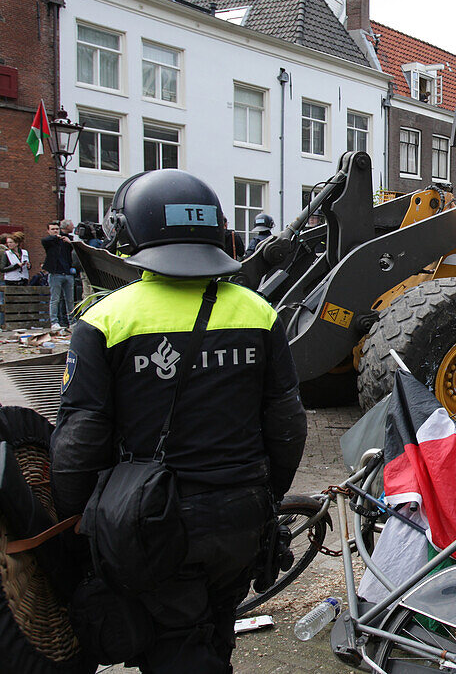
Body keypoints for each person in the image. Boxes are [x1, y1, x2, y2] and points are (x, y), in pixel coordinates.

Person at [51, 169, 308, 673]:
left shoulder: (106, 319)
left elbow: (80, 438)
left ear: (132, 234)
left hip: (151, 523)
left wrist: (74, 520)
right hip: (241, 518)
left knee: (175, 646)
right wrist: (265, 496)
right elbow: (288, 423)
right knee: (217, 630)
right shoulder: (259, 313)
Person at [42, 219, 76, 330]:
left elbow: (77, 249)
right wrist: (56, 237)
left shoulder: (66, 240)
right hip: (55, 273)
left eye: (57, 229)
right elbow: (45, 240)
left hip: (68, 273)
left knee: (70, 300)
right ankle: (54, 322)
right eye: (52, 229)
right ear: (48, 231)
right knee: (55, 299)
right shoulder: (49, 241)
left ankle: (72, 321)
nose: (55, 231)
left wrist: (69, 242)